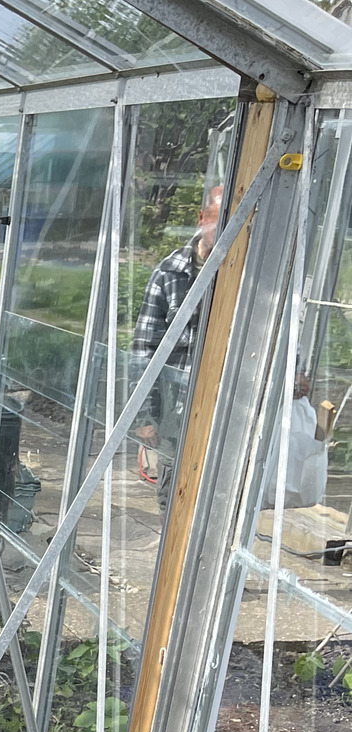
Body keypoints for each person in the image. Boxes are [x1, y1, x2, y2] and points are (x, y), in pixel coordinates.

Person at [132, 184, 222, 510]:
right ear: (202, 217)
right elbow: (143, 349)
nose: (225, 228)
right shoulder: (170, 274)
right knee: (171, 499)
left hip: (224, 413)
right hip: (176, 415)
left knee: (215, 501)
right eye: (218, 217)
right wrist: (143, 415)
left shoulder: (245, 275)